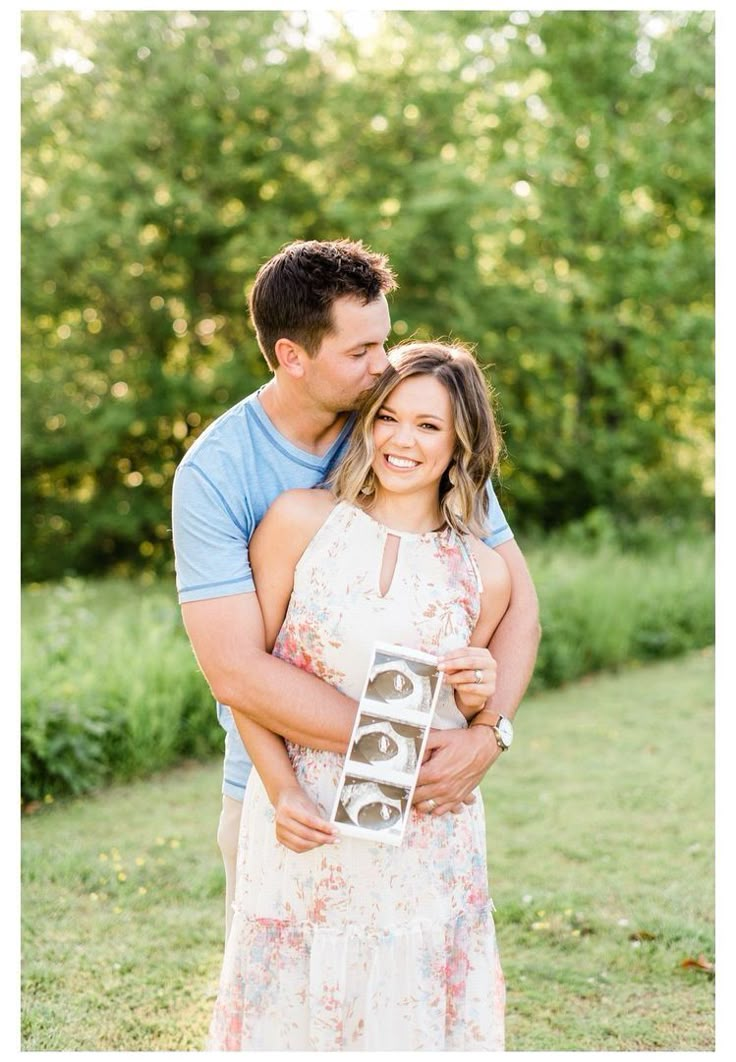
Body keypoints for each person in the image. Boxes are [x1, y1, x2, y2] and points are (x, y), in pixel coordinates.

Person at [171, 239, 540, 941]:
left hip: (421, 796)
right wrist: (412, 741)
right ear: (291, 355)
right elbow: (234, 668)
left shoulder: (405, 425)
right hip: (283, 791)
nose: (385, 365)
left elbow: (518, 605)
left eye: (386, 342)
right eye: (361, 352)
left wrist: (489, 733)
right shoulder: (216, 474)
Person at [207, 341, 513, 1050]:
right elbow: (249, 675)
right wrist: (281, 789)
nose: (402, 440)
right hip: (301, 821)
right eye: (389, 417)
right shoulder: (297, 522)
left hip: (422, 837)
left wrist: (480, 698)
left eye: (429, 426)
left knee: (404, 1016)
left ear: (461, 441)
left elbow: (455, 725)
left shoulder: (482, 572)